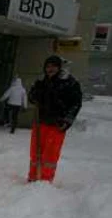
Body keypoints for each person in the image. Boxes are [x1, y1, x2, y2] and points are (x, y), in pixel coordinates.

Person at [27, 55, 82, 183]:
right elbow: (32, 97)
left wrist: (67, 120)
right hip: (40, 122)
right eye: (47, 66)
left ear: (59, 67)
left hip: (57, 124)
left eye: (53, 66)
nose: (50, 69)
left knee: (50, 155)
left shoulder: (69, 83)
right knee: (36, 153)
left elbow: (76, 103)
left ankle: (45, 181)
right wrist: (34, 95)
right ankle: (33, 178)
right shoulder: (41, 81)